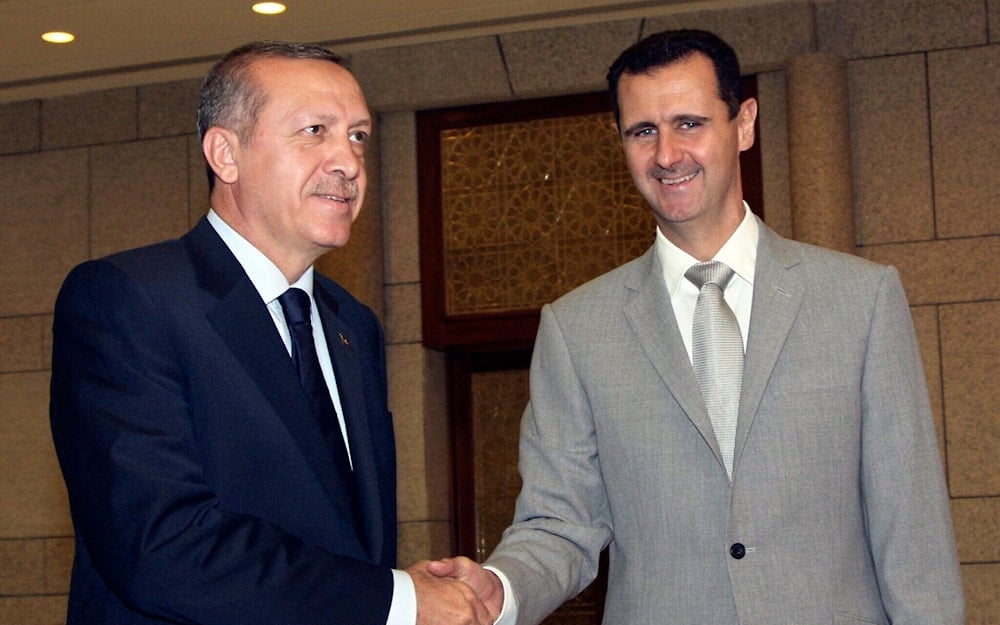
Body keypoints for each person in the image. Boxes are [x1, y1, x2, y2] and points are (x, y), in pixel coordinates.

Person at [427, 29, 965, 625]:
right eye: (642, 131)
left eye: (689, 123)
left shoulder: (861, 300)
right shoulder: (576, 330)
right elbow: (561, 522)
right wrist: (501, 587)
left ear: (744, 124)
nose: (666, 155)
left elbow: (910, 526)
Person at [49, 41, 491, 625]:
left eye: (358, 136)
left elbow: (339, 538)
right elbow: (159, 543)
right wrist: (398, 600)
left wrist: (401, 590)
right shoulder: (127, 299)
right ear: (225, 154)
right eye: (314, 130)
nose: (349, 162)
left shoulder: (351, 326)